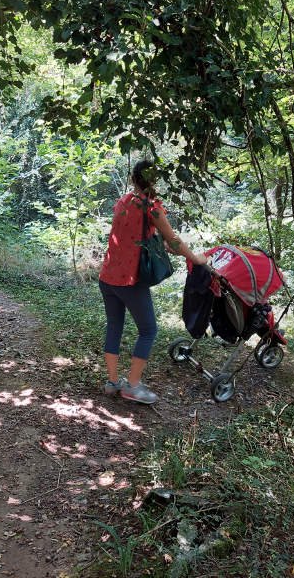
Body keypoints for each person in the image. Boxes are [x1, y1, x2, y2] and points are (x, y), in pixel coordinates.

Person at [98, 160, 208, 404]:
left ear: (133, 179)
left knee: (114, 325)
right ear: (154, 180)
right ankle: (133, 386)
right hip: (129, 281)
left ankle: (113, 382)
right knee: (148, 330)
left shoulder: (124, 201)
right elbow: (174, 240)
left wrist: (161, 244)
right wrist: (196, 258)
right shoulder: (151, 207)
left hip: (107, 277)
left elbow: (133, 236)